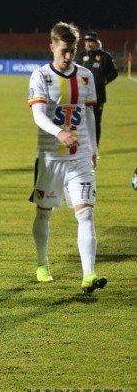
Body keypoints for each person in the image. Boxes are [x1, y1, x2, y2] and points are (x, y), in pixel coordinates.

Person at [27, 22, 106, 294]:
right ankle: (42, 263)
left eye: (72, 50)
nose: (69, 56)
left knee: (85, 213)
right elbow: (38, 115)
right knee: (44, 213)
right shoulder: (40, 76)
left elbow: (89, 116)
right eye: (64, 50)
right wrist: (59, 133)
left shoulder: (85, 76)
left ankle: (89, 274)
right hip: (51, 158)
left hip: (80, 157)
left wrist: (94, 149)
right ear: (52, 47)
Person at [78, 31, 118, 146]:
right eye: (86, 41)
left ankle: (94, 148)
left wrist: (104, 81)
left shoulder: (105, 57)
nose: (88, 44)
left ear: (96, 43)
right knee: (80, 122)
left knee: (95, 123)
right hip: (82, 96)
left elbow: (114, 73)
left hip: (97, 96)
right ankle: (82, 147)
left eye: (91, 41)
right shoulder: (81, 56)